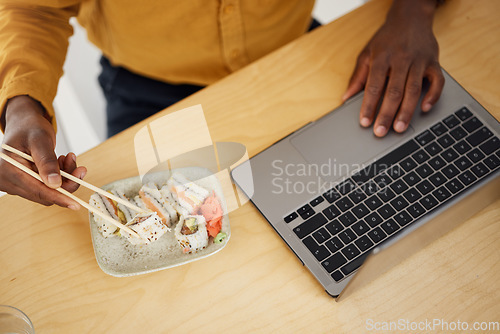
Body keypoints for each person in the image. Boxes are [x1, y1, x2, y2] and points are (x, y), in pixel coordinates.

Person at [0, 0, 444, 209]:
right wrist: (21, 103)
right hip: (147, 91)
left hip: (298, 57)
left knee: (364, 202)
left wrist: (413, 10)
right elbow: (33, 8)